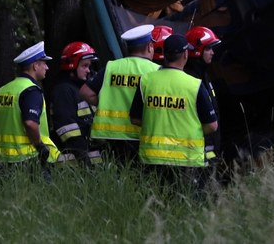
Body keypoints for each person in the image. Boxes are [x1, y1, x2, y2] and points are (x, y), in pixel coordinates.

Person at [130, 34, 218, 190]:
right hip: (187, 158)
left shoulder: (146, 81)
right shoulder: (194, 85)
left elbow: (135, 119)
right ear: (185, 55)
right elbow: (212, 126)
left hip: (152, 158)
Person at [80, 24, 159, 164]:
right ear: (149, 47)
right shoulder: (156, 71)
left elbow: (85, 92)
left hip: (111, 135)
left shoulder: (112, 67)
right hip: (141, 134)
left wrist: (105, 100)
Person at [0, 41, 60, 176]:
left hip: (4, 159)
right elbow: (30, 123)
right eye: (44, 63)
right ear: (35, 66)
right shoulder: (31, 91)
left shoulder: (4, 90)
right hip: (30, 158)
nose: (47, 68)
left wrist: (4, 140)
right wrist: (40, 146)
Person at [51, 42, 101, 167]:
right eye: (84, 66)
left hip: (90, 156)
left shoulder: (81, 88)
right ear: (71, 65)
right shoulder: (63, 90)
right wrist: (84, 160)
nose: (88, 70)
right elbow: (68, 130)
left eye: (89, 66)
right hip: (73, 162)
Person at [185, 26, 222, 164]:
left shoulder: (204, 74)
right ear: (196, 51)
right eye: (208, 48)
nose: (212, 52)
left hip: (211, 147)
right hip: (200, 150)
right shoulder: (191, 78)